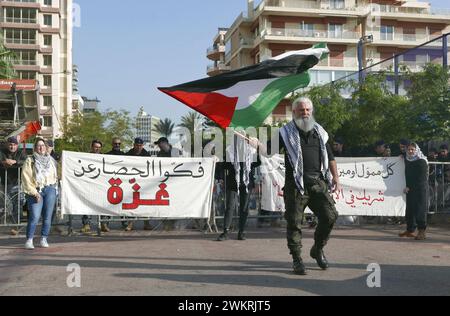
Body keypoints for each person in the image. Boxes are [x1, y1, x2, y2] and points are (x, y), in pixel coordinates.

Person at [258, 97, 340, 275]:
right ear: (294, 112)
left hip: (318, 183)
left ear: (311, 111)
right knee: (295, 223)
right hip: (295, 186)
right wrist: (258, 145)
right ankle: (297, 260)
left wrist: (336, 178)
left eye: (308, 110)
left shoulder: (320, 132)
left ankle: (317, 249)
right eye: (301, 110)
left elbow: (331, 157)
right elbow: (268, 151)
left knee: (330, 216)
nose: (305, 113)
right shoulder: (284, 133)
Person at [216, 135, 260, 241]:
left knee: (244, 208)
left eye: (243, 139)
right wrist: (217, 159)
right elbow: (223, 165)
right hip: (233, 183)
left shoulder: (251, 152)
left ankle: (241, 232)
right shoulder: (230, 151)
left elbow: (258, 162)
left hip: (246, 183)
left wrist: (257, 147)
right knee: (230, 207)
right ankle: (225, 231)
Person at [22, 138, 58, 249]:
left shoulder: (51, 160)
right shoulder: (30, 160)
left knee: (47, 217)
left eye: (43, 145)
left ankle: (44, 238)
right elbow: (26, 177)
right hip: (36, 191)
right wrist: (34, 192)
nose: (41, 147)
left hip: (50, 189)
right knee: (35, 216)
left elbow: (56, 174)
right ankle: (29, 240)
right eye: (38, 145)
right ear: (35, 147)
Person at [400, 143, 429, 240]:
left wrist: (409, 187)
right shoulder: (407, 160)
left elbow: (420, 178)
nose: (410, 151)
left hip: (420, 189)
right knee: (410, 210)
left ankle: (422, 231)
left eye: (412, 149)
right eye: (409, 149)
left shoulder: (421, 161)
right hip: (410, 189)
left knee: (420, 210)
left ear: (416, 150)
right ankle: (410, 230)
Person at [0, 136, 27, 235]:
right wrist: (4, 162)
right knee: (5, 205)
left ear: (17, 145)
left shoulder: (21, 152)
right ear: (7, 144)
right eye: (10, 144)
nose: (12, 147)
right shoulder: (2, 151)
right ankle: (6, 224)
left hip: (17, 182)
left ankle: (15, 226)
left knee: (17, 204)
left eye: (14, 145)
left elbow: (26, 161)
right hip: (4, 182)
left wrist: (15, 162)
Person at [125, 138, 151, 231]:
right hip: (132, 181)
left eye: (140, 145)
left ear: (142, 145)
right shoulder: (128, 154)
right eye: (137, 145)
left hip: (143, 181)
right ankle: (130, 223)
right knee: (132, 202)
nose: (139, 147)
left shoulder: (146, 154)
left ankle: (146, 223)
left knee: (144, 202)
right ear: (134, 145)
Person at [80, 140, 103, 234]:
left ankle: (103, 224)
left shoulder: (104, 158)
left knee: (102, 205)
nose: (97, 149)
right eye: (95, 147)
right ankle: (86, 224)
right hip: (88, 185)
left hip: (100, 186)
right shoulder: (86, 157)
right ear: (91, 147)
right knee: (86, 205)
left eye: (99, 147)